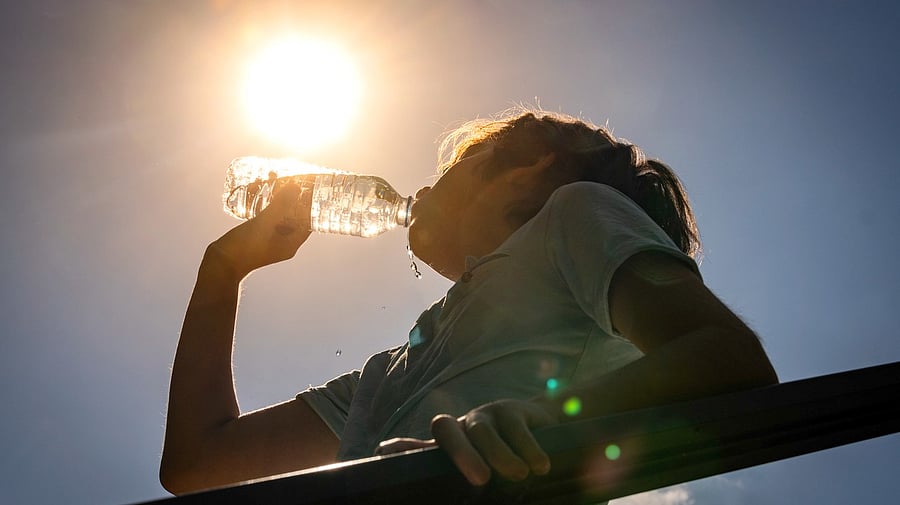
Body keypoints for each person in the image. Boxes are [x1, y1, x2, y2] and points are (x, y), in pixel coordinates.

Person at [159, 110, 778, 495]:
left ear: (527, 164)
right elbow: (196, 464)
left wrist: (547, 419)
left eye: (460, 160)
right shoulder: (392, 372)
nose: (427, 185)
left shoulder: (577, 210)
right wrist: (223, 269)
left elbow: (727, 358)